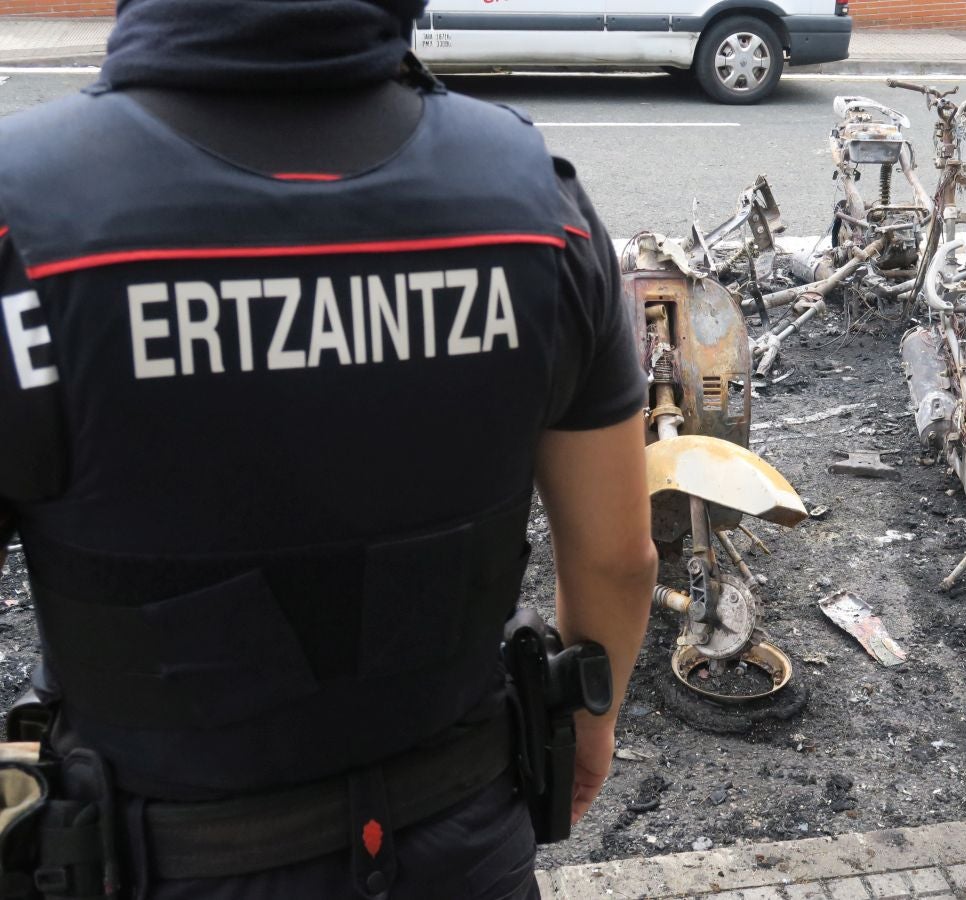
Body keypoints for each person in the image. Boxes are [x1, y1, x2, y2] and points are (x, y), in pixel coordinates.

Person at [0, 0, 656, 896]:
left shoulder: (20, 214)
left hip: (162, 862)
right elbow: (619, 558)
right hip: (460, 844)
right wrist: (590, 726)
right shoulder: (538, 200)